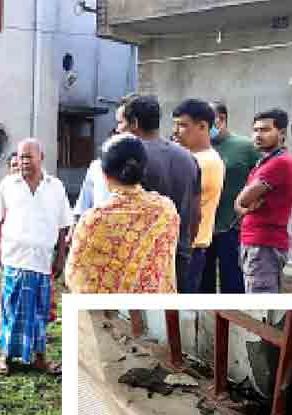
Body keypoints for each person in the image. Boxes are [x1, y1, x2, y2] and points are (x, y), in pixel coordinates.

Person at [0, 138, 72, 375]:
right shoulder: (8, 184)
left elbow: (63, 225)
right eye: (21, 156)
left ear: (41, 157)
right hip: (14, 259)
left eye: (29, 156)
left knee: (39, 312)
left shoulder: (55, 186)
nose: (24, 161)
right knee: (10, 309)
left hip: (42, 261)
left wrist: (60, 256)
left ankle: (39, 358)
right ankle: (5, 356)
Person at [65, 133, 179, 293]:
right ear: (143, 169)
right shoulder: (166, 210)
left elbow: (74, 277)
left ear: (104, 175)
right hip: (156, 312)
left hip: (110, 315)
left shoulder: (94, 219)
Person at [115, 94, 201, 293]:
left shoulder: (130, 158)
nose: (118, 129)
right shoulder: (188, 157)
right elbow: (196, 213)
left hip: (143, 258)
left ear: (134, 123)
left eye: (121, 123)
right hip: (180, 253)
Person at [235, 108, 292, 293]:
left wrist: (243, 203)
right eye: (255, 130)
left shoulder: (280, 163)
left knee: (260, 306)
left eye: (264, 130)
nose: (258, 135)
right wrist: (243, 204)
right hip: (258, 243)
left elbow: (244, 200)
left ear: (281, 133)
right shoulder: (265, 163)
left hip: (264, 246)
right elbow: (239, 204)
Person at [202, 101, 258, 293]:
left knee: (233, 285)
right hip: (203, 229)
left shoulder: (245, 147)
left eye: (206, 123)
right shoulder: (199, 149)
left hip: (233, 227)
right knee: (202, 287)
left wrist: (249, 213)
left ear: (221, 119)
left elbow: (264, 181)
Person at [173, 99, 225, 293]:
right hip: (188, 245)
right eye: (176, 124)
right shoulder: (192, 158)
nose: (176, 131)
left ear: (203, 126)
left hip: (189, 247)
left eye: (183, 125)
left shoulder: (205, 162)